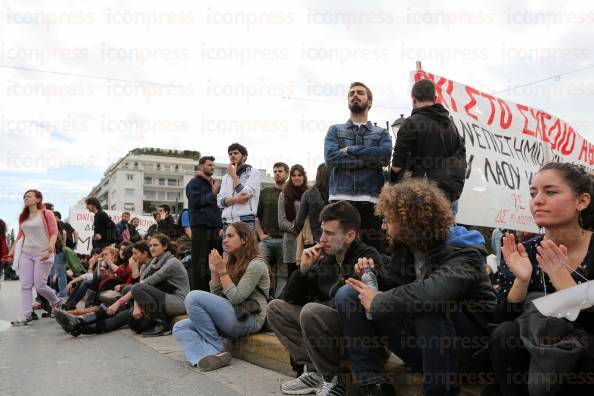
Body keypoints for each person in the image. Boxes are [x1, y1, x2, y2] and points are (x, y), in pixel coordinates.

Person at [336, 180, 496, 395]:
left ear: (411, 221)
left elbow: (432, 293)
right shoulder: (407, 251)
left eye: (388, 220)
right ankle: (373, 384)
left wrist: (379, 300)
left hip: (469, 357)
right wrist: (373, 278)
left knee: (428, 306)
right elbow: (397, 286)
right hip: (424, 349)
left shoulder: (464, 253)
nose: (383, 227)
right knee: (350, 293)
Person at [484, 162, 594, 395]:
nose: (537, 200)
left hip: (582, 363)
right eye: (533, 193)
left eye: (551, 192)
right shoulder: (522, 251)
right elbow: (501, 317)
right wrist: (521, 282)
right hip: (531, 357)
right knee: (504, 335)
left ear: (582, 201)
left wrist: (560, 276)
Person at [267, 201, 381, 395]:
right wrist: (302, 270)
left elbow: (347, 303)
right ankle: (315, 372)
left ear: (350, 236)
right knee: (276, 308)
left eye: (330, 233)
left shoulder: (366, 257)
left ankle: (333, 378)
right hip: (324, 328)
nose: (322, 238)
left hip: (355, 333)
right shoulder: (326, 258)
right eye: (322, 232)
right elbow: (289, 299)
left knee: (311, 311)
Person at [173, 222, 270, 371]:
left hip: (250, 319)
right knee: (180, 327)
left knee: (193, 297)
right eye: (224, 236)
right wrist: (214, 271)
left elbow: (236, 297)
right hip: (233, 316)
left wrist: (222, 270)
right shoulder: (232, 261)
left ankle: (216, 350)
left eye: (230, 236)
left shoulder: (256, 264)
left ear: (244, 239)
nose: (225, 240)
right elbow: (217, 297)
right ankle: (206, 357)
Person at [56, 236, 190, 337]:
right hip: (159, 300)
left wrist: (119, 303)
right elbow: (140, 284)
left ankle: (161, 324)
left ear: (165, 246)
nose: (152, 248)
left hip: (177, 302)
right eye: (150, 245)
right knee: (124, 314)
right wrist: (134, 305)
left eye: (155, 245)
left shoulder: (172, 263)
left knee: (129, 295)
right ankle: (80, 326)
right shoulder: (153, 262)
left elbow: (143, 285)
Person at [324, 82, 392, 252]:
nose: (355, 95)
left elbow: (384, 157)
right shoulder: (334, 130)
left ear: (369, 102)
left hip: (371, 200)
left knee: (371, 252)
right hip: (341, 198)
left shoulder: (381, 133)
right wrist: (369, 158)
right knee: (338, 251)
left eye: (360, 93)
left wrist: (351, 150)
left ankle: (369, 279)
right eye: (351, 93)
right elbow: (331, 159)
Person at [390, 79, 467, 212]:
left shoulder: (410, 124)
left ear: (413, 99)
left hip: (419, 197)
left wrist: (392, 183)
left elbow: (397, 166)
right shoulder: (451, 125)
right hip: (448, 197)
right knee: (447, 233)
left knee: (416, 232)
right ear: (435, 98)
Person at [10, 190, 62, 325]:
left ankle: (56, 302)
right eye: (24, 197)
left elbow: (54, 233)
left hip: (43, 253)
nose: (26, 198)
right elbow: (20, 235)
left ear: (38, 199)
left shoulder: (46, 213)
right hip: (26, 253)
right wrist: (12, 251)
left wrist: (49, 250)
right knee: (25, 285)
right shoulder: (23, 217)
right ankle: (26, 315)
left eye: (29, 196)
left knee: (40, 286)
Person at [186, 155, 222, 291]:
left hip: (214, 228)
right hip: (201, 227)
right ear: (201, 166)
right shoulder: (194, 183)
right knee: (199, 261)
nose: (212, 167)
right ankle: (198, 292)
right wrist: (212, 194)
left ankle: (211, 290)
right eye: (209, 165)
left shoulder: (213, 183)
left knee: (213, 261)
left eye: (213, 165)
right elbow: (195, 202)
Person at [257, 162, 289, 297]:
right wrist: (260, 234)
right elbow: (257, 216)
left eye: (280, 171)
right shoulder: (265, 192)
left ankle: (276, 305)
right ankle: (262, 302)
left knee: (283, 276)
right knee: (259, 271)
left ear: (287, 174)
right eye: (275, 171)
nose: (277, 173)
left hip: (285, 241)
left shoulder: (292, 193)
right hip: (266, 241)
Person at [277, 164, 307, 296]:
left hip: (307, 241)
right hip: (291, 242)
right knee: (292, 277)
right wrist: (296, 228)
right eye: (293, 175)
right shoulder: (284, 194)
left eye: (299, 175)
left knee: (306, 275)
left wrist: (304, 230)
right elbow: (281, 222)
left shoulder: (309, 193)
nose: (296, 177)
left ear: (304, 176)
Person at [217, 143, 261, 233]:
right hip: (227, 221)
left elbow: (245, 195)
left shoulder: (254, 173)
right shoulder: (226, 177)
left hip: (245, 221)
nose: (232, 155)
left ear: (244, 156)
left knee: (246, 247)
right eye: (230, 154)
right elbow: (219, 201)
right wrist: (235, 200)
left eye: (235, 153)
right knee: (227, 247)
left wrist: (234, 176)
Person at [294, 162, 330, 245]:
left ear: (318, 175)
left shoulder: (308, 193)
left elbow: (299, 221)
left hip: (313, 239)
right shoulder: (336, 195)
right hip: (334, 238)